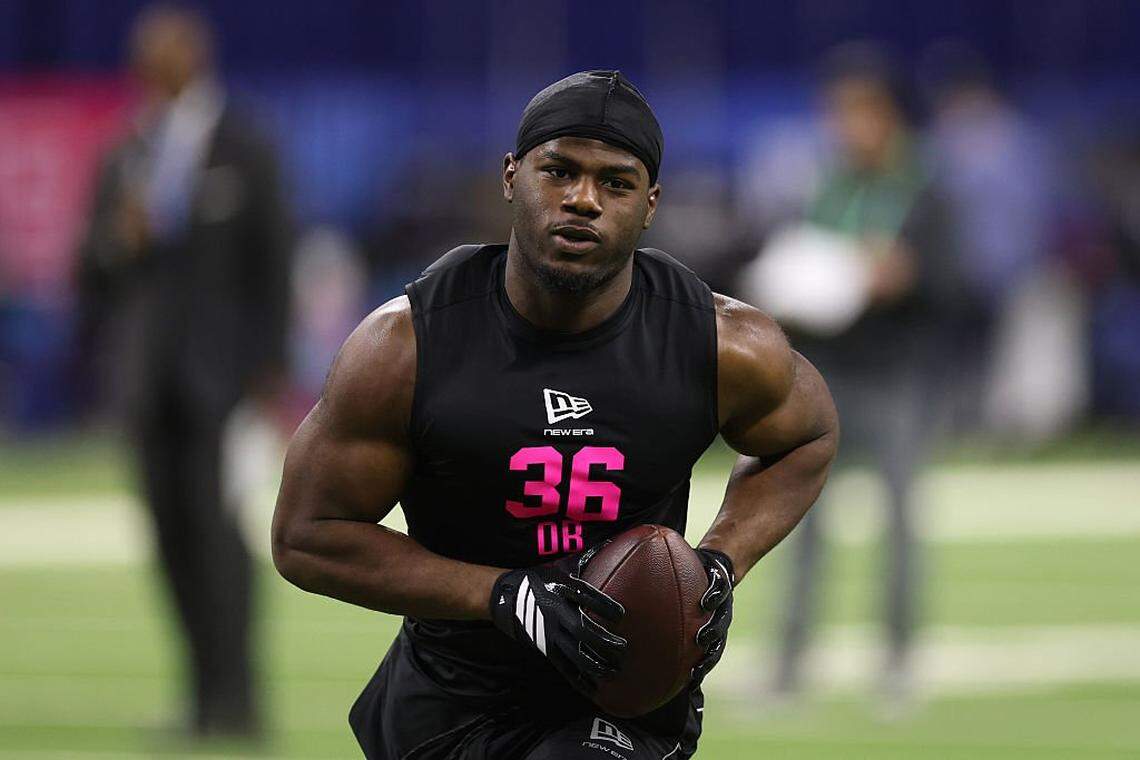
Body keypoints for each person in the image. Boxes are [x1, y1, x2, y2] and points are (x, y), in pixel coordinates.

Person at [271, 70, 838, 759]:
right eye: (560, 171)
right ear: (512, 176)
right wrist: (502, 594)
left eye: (615, 183)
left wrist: (721, 558)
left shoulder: (718, 342)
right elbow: (307, 536)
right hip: (455, 694)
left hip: (621, 689)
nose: (583, 200)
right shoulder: (406, 346)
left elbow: (808, 435)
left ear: (651, 203)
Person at [76, 4, 291, 739]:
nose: (154, 65)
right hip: (147, 381)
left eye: (166, 52)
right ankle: (200, 700)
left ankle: (239, 703)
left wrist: (269, 372)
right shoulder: (127, 150)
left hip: (221, 382)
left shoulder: (244, 145)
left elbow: (276, 262)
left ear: (194, 58)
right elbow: (90, 274)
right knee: (169, 538)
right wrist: (117, 240)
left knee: (217, 536)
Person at [769, 44, 959, 703]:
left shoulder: (926, 185)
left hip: (900, 374)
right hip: (828, 372)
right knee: (801, 521)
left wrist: (907, 275)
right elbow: (801, 256)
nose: (846, 127)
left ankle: (899, 663)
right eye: (838, 114)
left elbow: (960, 284)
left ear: (887, 117)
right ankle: (790, 665)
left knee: (901, 521)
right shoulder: (828, 184)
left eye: (858, 114)